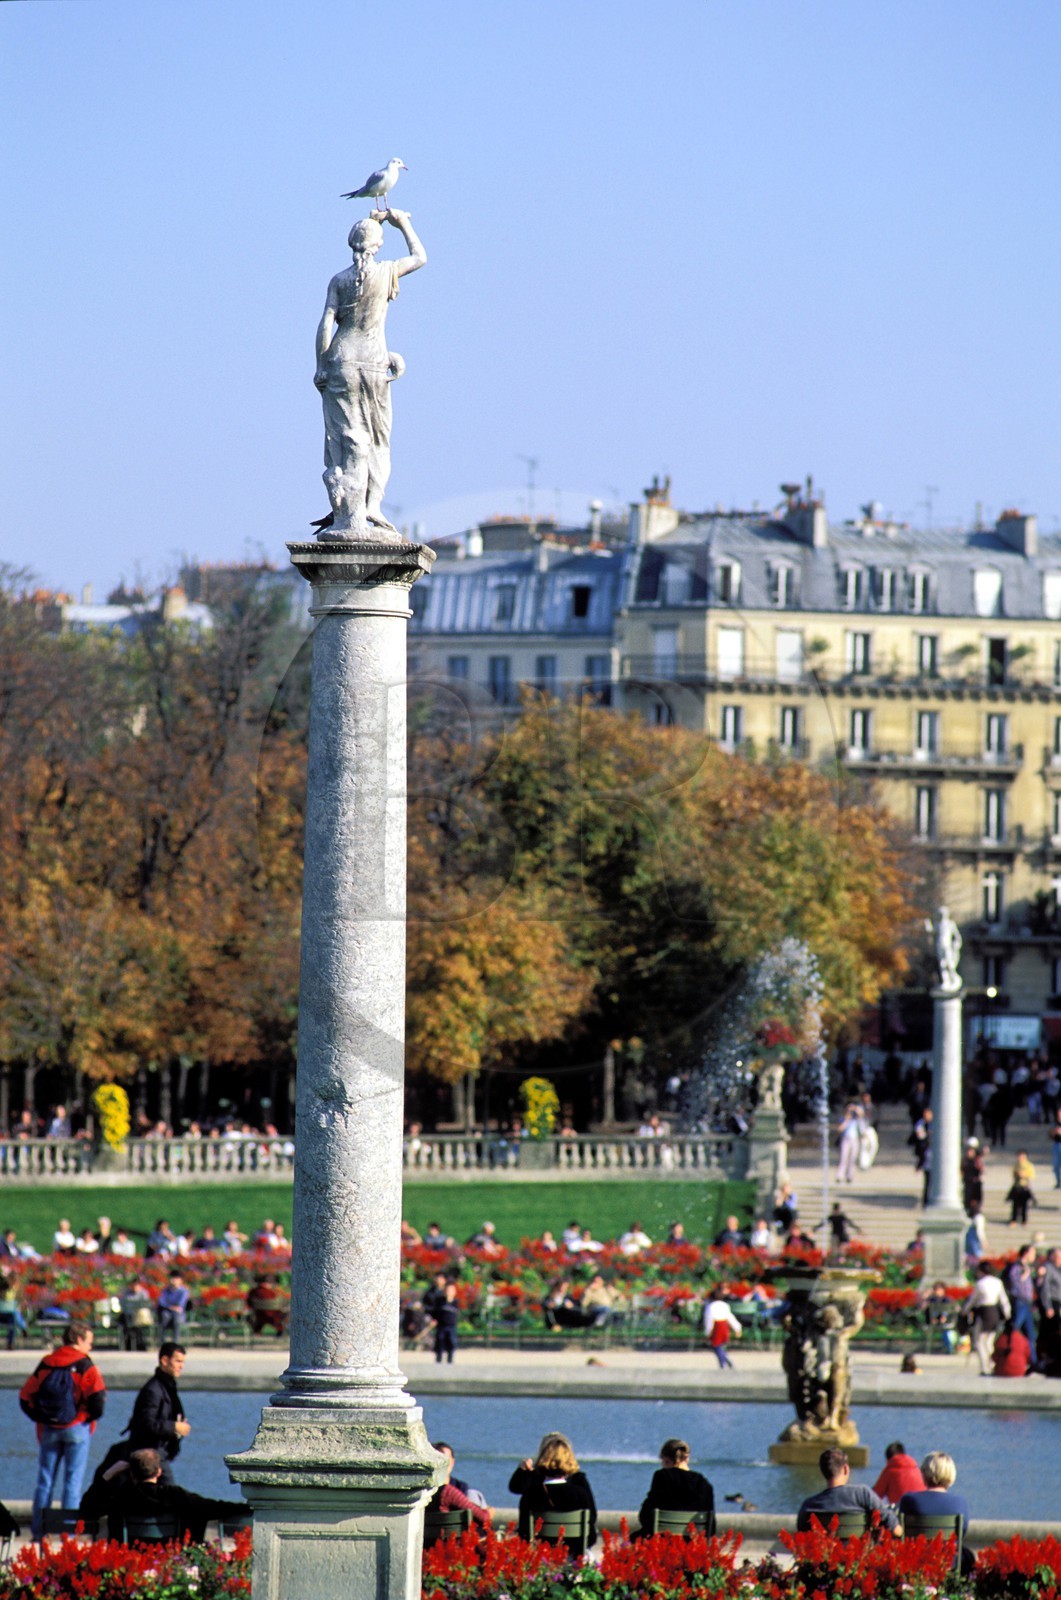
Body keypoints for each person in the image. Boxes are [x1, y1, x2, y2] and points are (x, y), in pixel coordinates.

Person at [314, 209, 427, 540]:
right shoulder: (387, 271)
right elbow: (420, 256)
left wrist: (321, 364)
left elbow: (326, 323)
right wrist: (403, 222)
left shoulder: (339, 281)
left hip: (342, 359)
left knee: (345, 439)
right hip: (373, 362)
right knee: (377, 439)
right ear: (377, 245)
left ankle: (346, 510)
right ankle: (370, 506)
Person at [20, 1320, 107, 1539]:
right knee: (72, 1482)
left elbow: (25, 1397)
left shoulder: (47, 1363)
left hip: (49, 1428)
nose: (90, 1347)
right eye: (89, 1342)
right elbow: (98, 1399)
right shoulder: (86, 1365)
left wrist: (40, 1417)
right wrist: (87, 1418)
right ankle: (67, 1532)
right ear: (78, 1340)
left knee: (45, 1481)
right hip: (77, 1427)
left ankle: (40, 1532)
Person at [82, 1448, 245, 1543]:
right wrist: (247, 1506)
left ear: (131, 1473)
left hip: (132, 1562)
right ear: (159, 1471)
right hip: (168, 1560)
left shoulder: (122, 1497)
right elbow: (212, 1507)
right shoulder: (174, 1495)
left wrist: (108, 1474)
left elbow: (88, 1509)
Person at [509, 1432, 597, 1551]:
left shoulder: (531, 1493)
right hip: (573, 1552)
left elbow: (525, 1532)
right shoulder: (580, 1491)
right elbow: (591, 1520)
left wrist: (523, 1470)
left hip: (541, 1552)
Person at [897, 1452, 974, 1575]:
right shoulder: (960, 1503)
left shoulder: (909, 1500)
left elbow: (902, 1532)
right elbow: (961, 1533)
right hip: (947, 1562)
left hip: (916, 1561)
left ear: (924, 1473)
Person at [125, 1343, 191, 1479]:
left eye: (183, 1362)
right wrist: (174, 1427)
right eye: (178, 1361)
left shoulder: (167, 1386)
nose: (181, 1366)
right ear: (165, 1360)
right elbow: (146, 1423)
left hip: (160, 1453)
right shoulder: (153, 1390)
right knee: (169, 1492)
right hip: (149, 1454)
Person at [796, 1446, 898, 1533]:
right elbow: (894, 1528)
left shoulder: (809, 1506)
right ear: (846, 1469)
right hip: (859, 1554)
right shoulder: (863, 1494)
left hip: (826, 1555)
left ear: (822, 1472)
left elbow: (801, 1532)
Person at [635, 1437, 714, 1538]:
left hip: (663, 1542)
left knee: (627, 1544)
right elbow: (711, 1528)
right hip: (692, 1544)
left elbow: (645, 1516)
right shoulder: (704, 1483)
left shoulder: (662, 1476)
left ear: (666, 1460)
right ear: (687, 1458)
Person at [426, 1443, 491, 1527]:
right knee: (474, 1494)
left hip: (427, 1537)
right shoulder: (447, 1492)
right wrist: (490, 1510)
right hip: (451, 1537)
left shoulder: (423, 1491)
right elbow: (483, 1517)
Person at [965, 1261, 1011, 1375]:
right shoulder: (998, 1282)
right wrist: (1007, 1314)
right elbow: (1004, 1300)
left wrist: (964, 1311)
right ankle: (992, 1364)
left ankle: (985, 1367)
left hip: (984, 1313)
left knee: (979, 1342)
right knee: (990, 1341)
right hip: (994, 1313)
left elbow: (972, 1300)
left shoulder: (980, 1283)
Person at [1003, 1244, 1039, 1366]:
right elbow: (1014, 1284)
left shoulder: (1027, 1267)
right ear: (1026, 1253)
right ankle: (1006, 1353)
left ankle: (1033, 1361)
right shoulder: (1017, 1267)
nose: (1034, 1256)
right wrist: (1025, 1275)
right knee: (1014, 1328)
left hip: (1027, 1303)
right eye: (1032, 1253)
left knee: (1030, 1333)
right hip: (1020, 1301)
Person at [703, 1293, 742, 1369]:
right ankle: (726, 1360)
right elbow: (730, 1317)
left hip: (716, 1326)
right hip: (724, 1326)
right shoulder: (725, 1305)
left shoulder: (710, 1306)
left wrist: (708, 1331)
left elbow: (709, 1319)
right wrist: (737, 1328)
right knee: (719, 1346)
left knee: (716, 1346)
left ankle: (723, 1362)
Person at [119, 1278, 155, 1352]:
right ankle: (127, 1345)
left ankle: (140, 1345)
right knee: (124, 1321)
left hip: (139, 1317)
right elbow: (124, 1304)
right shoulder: (127, 1293)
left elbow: (145, 1305)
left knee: (137, 1326)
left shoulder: (143, 1293)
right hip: (128, 1315)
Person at [157, 1271, 190, 1340]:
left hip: (179, 1314)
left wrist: (169, 1306)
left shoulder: (184, 1291)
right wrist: (171, 1307)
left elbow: (180, 1304)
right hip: (167, 1312)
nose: (173, 1280)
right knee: (164, 1316)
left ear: (181, 1280)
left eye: (176, 1278)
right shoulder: (165, 1290)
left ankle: (175, 1342)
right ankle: (162, 1342)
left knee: (177, 1319)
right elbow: (161, 1302)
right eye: (172, 1278)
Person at [432, 1281, 459, 1364]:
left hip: (451, 1326)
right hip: (441, 1326)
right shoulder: (440, 1302)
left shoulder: (456, 1303)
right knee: (440, 1340)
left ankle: (450, 1358)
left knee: (451, 1341)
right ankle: (438, 1358)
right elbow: (435, 1312)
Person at [836, 1104, 863, 1184]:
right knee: (844, 1158)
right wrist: (846, 1119)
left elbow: (861, 1113)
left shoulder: (856, 1118)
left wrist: (854, 1108)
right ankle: (840, 1176)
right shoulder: (843, 1118)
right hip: (846, 1139)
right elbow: (840, 1129)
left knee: (852, 1158)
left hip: (854, 1139)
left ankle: (850, 1176)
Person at [1008, 1151, 1036, 1226]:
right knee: (1015, 1205)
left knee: (1024, 1205)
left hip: (1025, 1187)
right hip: (1017, 1186)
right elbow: (1013, 1173)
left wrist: (1024, 1175)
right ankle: (1014, 1219)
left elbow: (1032, 1175)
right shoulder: (1016, 1165)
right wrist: (1017, 1174)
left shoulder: (1029, 1165)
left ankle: (1024, 1220)